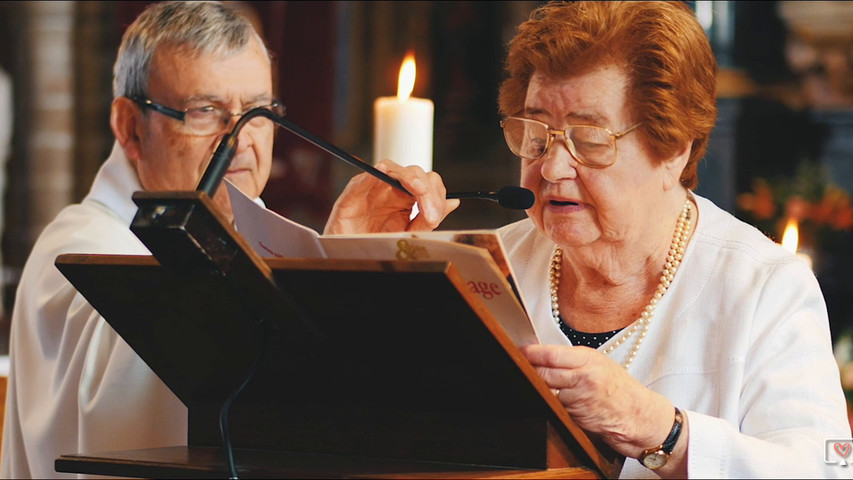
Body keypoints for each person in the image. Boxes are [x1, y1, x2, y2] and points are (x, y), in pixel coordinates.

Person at [328, 2, 851, 478]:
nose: (553, 167)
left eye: (588, 139)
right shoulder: (483, 267)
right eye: (536, 135)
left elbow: (828, 467)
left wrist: (665, 433)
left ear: (671, 148)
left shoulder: (764, 288)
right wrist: (347, 268)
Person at [0, 2, 456, 478]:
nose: (238, 140)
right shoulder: (74, 249)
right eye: (205, 111)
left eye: (258, 112)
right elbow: (144, 363)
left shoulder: (254, 229)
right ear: (131, 127)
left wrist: (340, 254)